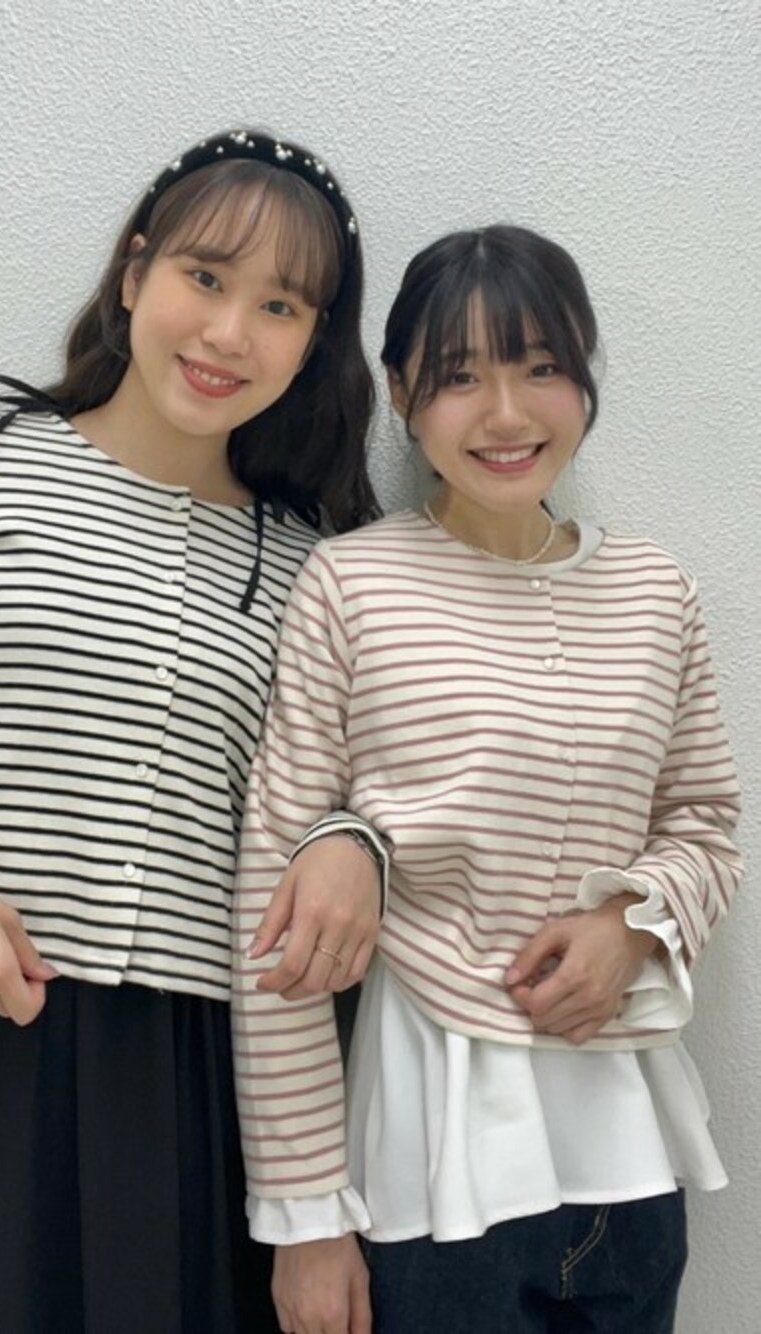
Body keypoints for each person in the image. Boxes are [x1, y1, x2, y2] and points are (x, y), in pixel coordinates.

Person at [0, 129, 392, 1334]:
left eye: (279, 306)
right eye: (204, 277)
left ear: (314, 341)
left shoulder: (316, 566)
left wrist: (353, 843)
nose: (228, 333)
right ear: (134, 271)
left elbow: (355, 789)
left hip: (185, 1068)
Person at [232, 224, 742, 1334]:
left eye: (541, 366)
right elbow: (272, 912)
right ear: (401, 393)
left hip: (631, 1152)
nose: (506, 414)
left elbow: (705, 824)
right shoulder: (351, 583)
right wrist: (305, 1217)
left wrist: (633, 926)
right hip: (433, 1171)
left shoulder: (656, 591)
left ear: (584, 376)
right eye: (460, 377)